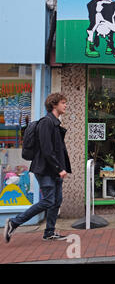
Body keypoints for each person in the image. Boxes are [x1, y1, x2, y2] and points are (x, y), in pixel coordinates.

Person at [4, 93, 72, 243]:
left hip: (54, 170)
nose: (65, 105)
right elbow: (47, 150)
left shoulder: (55, 123)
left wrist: (61, 168)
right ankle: (14, 222)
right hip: (45, 170)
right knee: (48, 201)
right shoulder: (46, 123)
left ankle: (49, 232)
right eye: (63, 102)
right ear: (54, 105)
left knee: (56, 201)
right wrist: (59, 168)